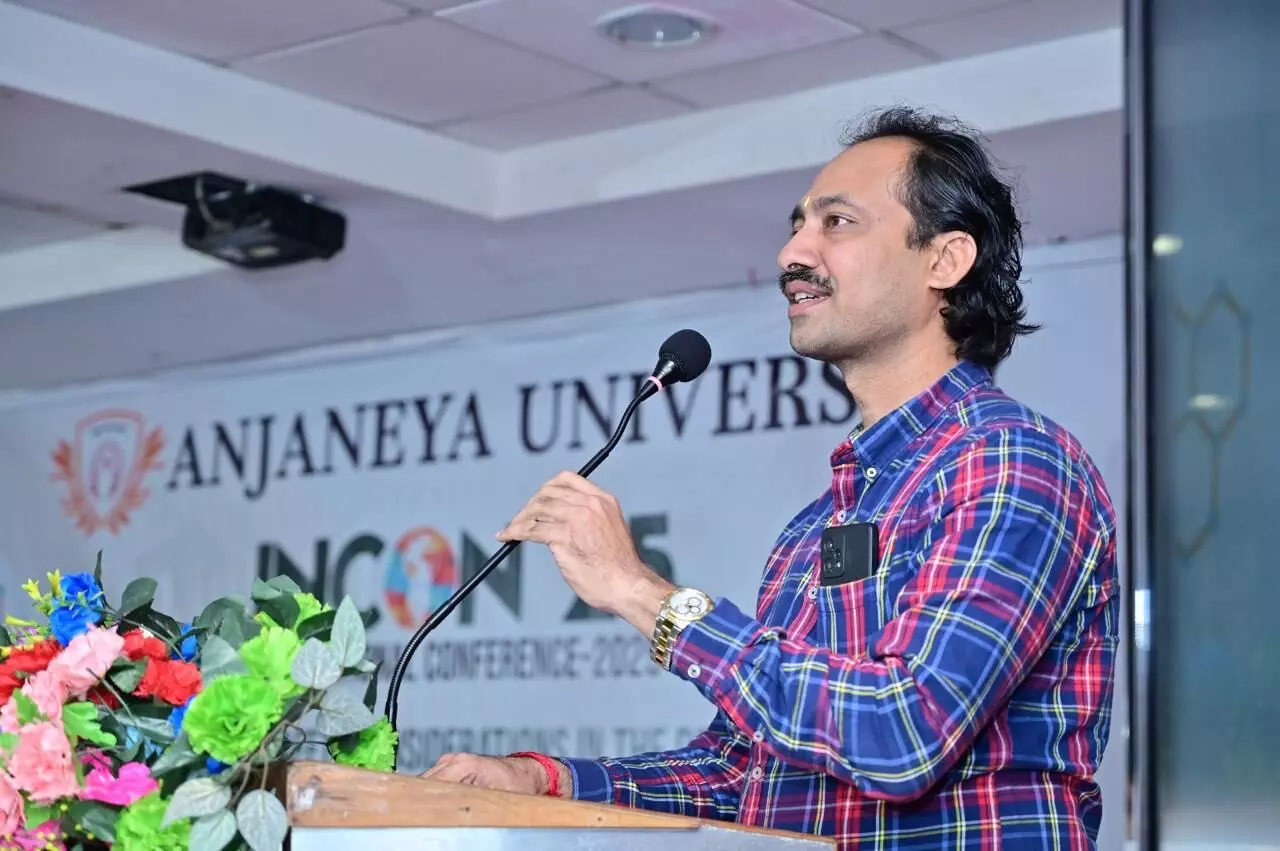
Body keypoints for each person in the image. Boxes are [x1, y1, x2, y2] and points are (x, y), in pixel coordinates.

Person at [423, 106, 1119, 850]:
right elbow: (743, 773)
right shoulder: (816, 526)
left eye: (837, 223)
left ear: (944, 261)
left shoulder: (1010, 460)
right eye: (796, 225)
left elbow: (904, 734)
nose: (793, 251)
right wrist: (544, 781)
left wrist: (640, 591)